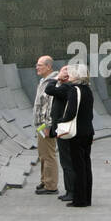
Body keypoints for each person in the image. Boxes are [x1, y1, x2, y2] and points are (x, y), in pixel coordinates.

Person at [62, 64, 94, 207]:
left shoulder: (74, 90)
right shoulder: (88, 90)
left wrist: (60, 122)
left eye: (71, 73)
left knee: (78, 166)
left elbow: (70, 112)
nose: (69, 75)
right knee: (86, 165)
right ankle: (87, 198)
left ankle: (79, 199)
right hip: (88, 131)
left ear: (76, 75)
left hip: (77, 133)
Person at [45, 66, 76, 202]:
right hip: (63, 128)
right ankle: (71, 190)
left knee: (67, 161)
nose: (60, 73)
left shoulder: (66, 87)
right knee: (68, 160)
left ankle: (71, 191)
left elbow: (49, 89)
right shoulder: (69, 87)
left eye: (63, 71)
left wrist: (56, 78)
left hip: (64, 129)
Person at [32, 55, 58, 196]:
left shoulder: (52, 81)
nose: (37, 67)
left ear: (48, 66)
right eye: (37, 64)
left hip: (46, 126)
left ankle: (51, 185)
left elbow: (50, 107)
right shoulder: (43, 81)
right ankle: (45, 181)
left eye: (40, 65)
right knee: (43, 155)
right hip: (41, 126)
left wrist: (48, 126)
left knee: (49, 155)